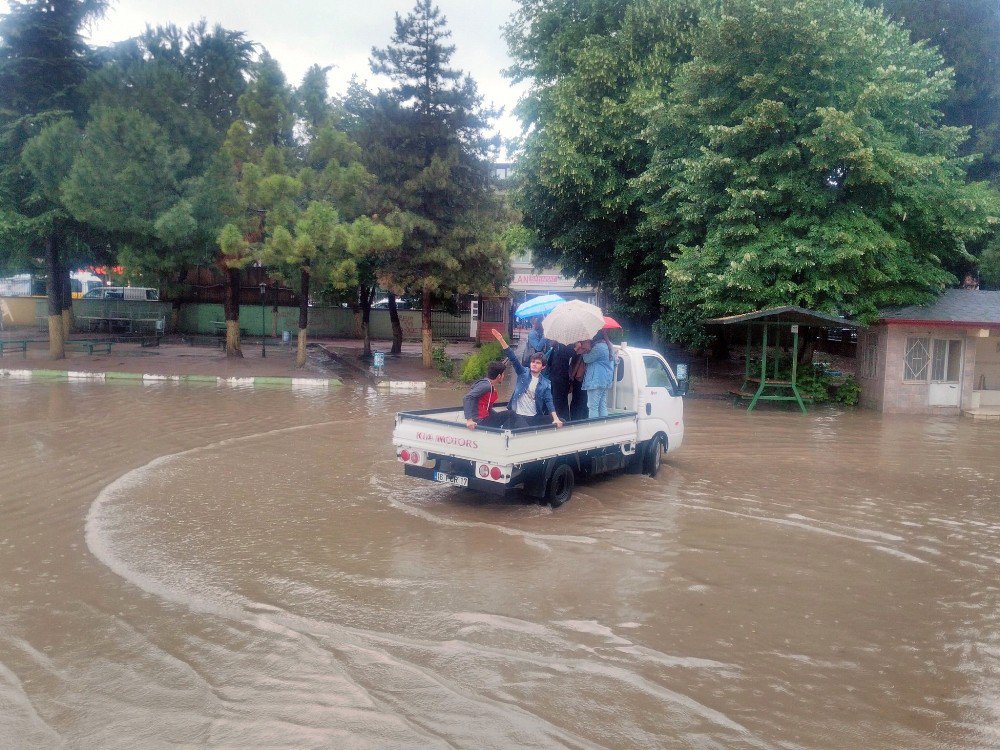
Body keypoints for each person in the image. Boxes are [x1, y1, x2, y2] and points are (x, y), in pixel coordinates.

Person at [491, 329, 563, 429]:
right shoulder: (523, 372)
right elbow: (513, 358)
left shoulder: (546, 383)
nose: (534, 364)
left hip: (534, 417)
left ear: (543, 367)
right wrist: (501, 339)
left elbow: (549, 401)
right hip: (517, 416)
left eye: (537, 363)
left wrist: (555, 418)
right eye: (533, 362)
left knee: (562, 421)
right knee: (524, 429)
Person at [578, 332, 615, 419]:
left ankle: (593, 427)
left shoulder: (599, 347)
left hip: (596, 380)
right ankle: (603, 426)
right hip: (605, 380)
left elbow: (587, 359)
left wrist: (583, 351)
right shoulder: (609, 346)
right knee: (602, 405)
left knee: (592, 406)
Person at [463, 360, 507, 430]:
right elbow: (467, 397)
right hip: (480, 421)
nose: (504, 376)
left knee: (505, 415)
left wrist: (496, 415)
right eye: (503, 374)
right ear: (499, 376)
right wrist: (469, 420)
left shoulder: (487, 384)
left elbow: (486, 407)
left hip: (484, 418)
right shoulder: (486, 386)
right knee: (510, 414)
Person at [548, 341, 574, 422]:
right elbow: (550, 363)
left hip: (561, 379)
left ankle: (561, 419)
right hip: (555, 378)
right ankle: (560, 418)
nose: (550, 341)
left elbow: (567, 357)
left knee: (560, 401)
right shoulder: (555, 348)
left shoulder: (565, 347)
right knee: (557, 400)